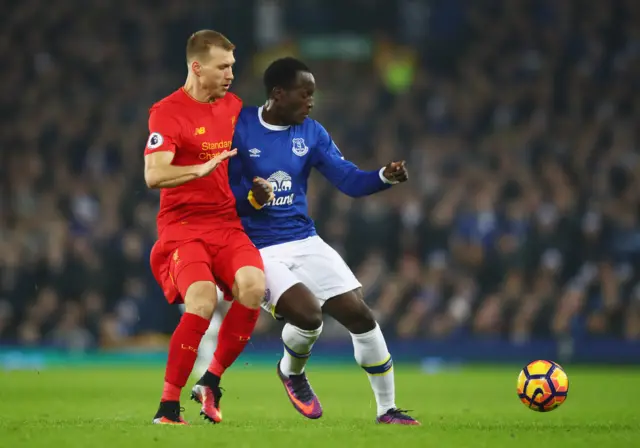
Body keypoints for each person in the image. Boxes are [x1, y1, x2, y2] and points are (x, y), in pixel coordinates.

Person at [219, 57, 419, 425]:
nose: (311, 101)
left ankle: (387, 410)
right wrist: (250, 199)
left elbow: (349, 180)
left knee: (359, 314)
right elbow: (219, 192)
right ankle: (292, 371)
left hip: (304, 239)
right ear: (278, 94)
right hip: (255, 247)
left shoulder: (311, 133)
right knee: (309, 316)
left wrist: (384, 177)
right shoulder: (239, 127)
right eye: (304, 93)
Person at [144, 30, 272, 425]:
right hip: (182, 228)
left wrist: (257, 190)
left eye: (232, 66)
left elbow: (241, 165)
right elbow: (153, 174)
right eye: (223, 66)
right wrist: (195, 169)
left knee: (254, 288)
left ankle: (211, 381)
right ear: (197, 68)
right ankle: (168, 406)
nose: (231, 74)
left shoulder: (233, 107)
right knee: (200, 301)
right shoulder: (166, 112)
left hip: (225, 224)